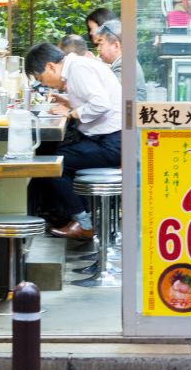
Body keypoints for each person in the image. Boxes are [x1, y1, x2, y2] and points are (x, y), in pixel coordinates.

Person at [24, 42, 122, 240]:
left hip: (112, 143)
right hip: (108, 139)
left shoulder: (78, 69)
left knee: (52, 165)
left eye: (42, 78)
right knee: (54, 156)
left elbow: (101, 104)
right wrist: (68, 102)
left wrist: (70, 113)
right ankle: (73, 217)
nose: (44, 84)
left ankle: (84, 224)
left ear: (51, 66)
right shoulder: (77, 66)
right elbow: (97, 100)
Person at [95, 19, 147, 101]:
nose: (98, 49)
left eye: (101, 44)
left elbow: (104, 95)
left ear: (116, 46)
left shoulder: (124, 66)